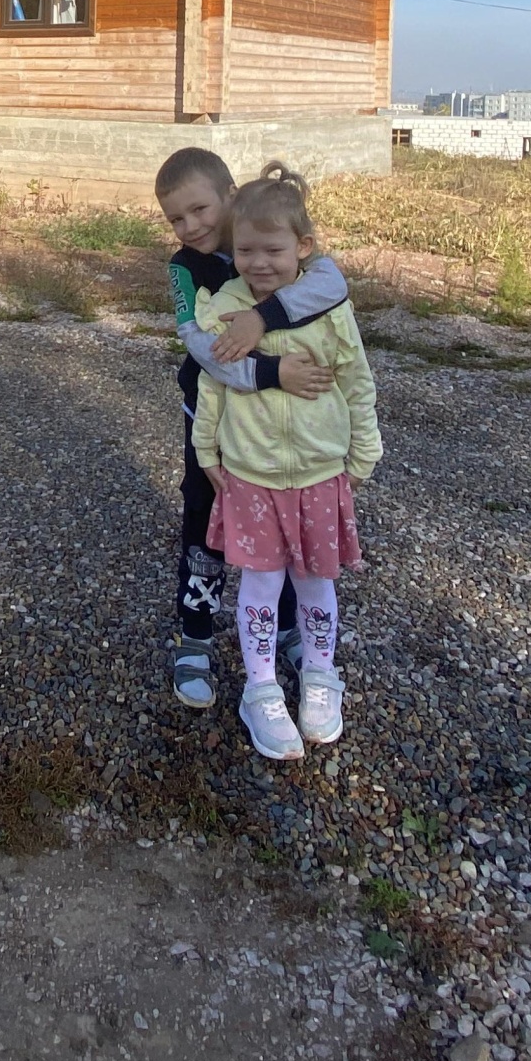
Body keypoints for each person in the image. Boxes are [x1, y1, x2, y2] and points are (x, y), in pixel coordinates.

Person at [192, 161, 382, 762]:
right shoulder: (224, 306)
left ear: (303, 248)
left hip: (321, 473)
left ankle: (322, 677)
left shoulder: (327, 304)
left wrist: (364, 448)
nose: (259, 262)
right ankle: (260, 688)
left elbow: (356, 379)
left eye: (273, 249)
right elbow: (214, 382)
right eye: (246, 250)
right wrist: (206, 449)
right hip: (250, 474)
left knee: (316, 580)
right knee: (261, 582)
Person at [155, 146, 347, 709]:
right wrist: (272, 372)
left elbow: (333, 282)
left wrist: (264, 317)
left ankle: (287, 627)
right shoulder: (184, 269)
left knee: (283, 527)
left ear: (230, 196)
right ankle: (195, 636)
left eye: (199, 209)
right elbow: (200, 344)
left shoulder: (264, 242)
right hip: (213, 425)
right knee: (204, 525)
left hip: (279, 433)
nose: (190, 227)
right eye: (176, 218)